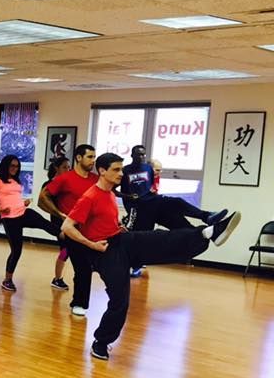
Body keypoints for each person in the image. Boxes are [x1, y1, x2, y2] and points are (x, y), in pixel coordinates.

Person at [62, 152, 239, 360]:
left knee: (159, 239)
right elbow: (67, 227)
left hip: (121, 240)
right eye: (116, 170)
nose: (121, 174)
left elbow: (102, 220)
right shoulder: (90, 196)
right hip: (105, 252)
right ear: (102, 171)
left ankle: (207, 233)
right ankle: (100, 342)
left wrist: (118, 227)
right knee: (120, 301)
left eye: (121, 169)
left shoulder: (110, 193)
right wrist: (91, 244)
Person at [121, 145, 226, 277]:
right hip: (139, 209)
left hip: (153, 203)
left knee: (178, 212)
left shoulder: (148, 168)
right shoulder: (125, 171)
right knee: (143, 239)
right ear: (132, 155)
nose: (141, 157)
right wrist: (128, 198)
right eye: (138, 154)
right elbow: (115, 189)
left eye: (143, 154)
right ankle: (136, 266)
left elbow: (149, 188)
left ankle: (208, 221)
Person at [0, 154, 59, 292]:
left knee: (43, 222)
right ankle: (7, 280)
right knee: (16, 250)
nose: (15, 168)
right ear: (6, 165)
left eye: (17, 166)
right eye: (12, 166)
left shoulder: (16, 180)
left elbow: (14, 197)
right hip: (9, 218)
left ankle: (65, 237)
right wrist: (0, 209)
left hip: (23, 212)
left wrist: (24, 202)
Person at [39, 144, 98, 315]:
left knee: (89, 266)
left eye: (94, 157)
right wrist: (59, 214)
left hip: (91, 230)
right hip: (72, 230)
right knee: (83, 266)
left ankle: (82, 301)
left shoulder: (95, 179)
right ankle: (79, 303)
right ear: (79, 158)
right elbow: (43, 198)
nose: (93, 161)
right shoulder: (65, 178)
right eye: (89, 157)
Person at [43, 156, 71, 289]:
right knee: (65, 249)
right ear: (56, 168)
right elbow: (43, 202)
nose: (67, 170)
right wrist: (59, 214)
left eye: (69, 167)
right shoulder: (49, 184)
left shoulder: (68, 183)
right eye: (64, 167)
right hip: (58, 221)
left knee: (68, 249)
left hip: (70, 220)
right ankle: (57, 278)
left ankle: (58, 278)